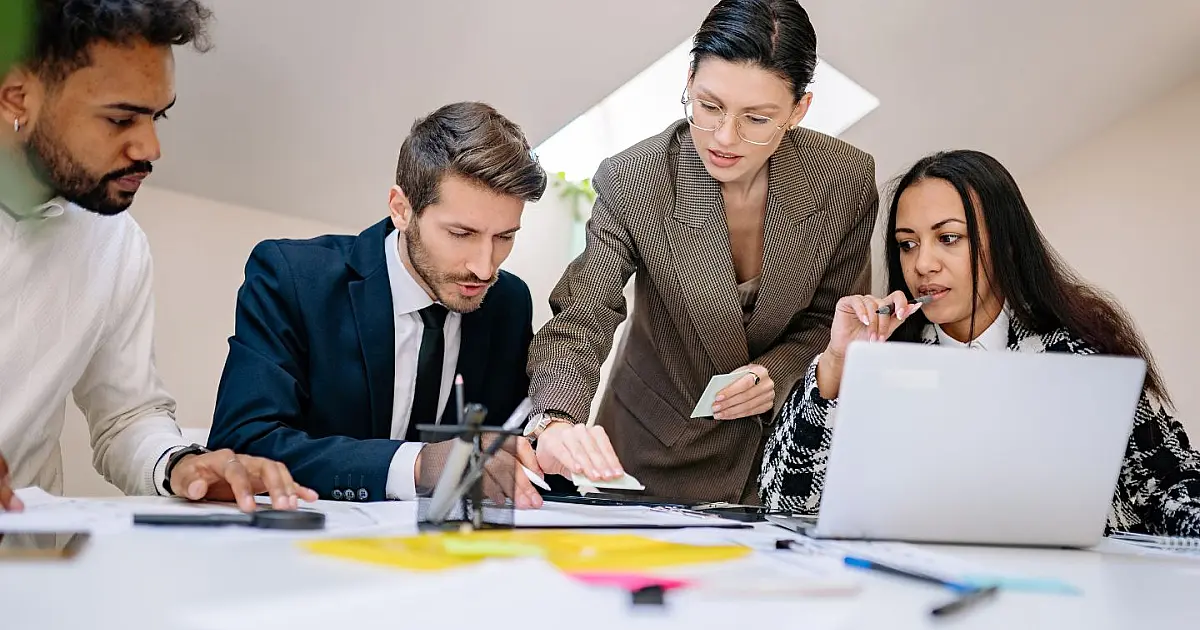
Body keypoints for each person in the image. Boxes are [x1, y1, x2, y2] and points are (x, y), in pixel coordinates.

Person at [525, 0, 877, 503]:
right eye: (709, 106)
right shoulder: (635, 179)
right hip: (649, 454)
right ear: (689, 81)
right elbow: (585, 314)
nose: (725, 137)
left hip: (781, 459)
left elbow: (832, 319)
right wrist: (555, 420)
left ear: (799, 110)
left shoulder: (845, 180)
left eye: (757, 118)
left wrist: (774, 373)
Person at [759, 149, 1200, 536]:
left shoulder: (1079, 355)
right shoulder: (883, 361)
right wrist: (838, 363)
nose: (922, 264)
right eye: (907, 245)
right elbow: (784, 501)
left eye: (948, 238)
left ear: (1005, 244)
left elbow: (1170, 483)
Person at [0, 0, 315, 513]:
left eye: (156, 116)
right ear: (17, 98)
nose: (150, 147)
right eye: (120, 118)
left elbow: (125, 417)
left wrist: (182, 466)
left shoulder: (113, 241)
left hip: (28, 554)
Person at [207, 102, 547, 508]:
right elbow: (242, 444)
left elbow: (508, 448)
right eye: (461, 234)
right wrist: (416, 464)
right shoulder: (292, 278)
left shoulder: (508, 302)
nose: (484, 267)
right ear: (401, 210)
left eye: (505, 237)